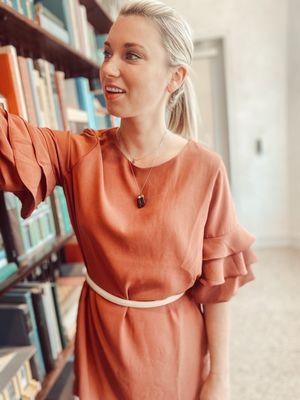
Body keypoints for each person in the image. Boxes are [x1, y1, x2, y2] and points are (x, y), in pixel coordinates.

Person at [0, 0, 258, 399]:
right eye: (107, 52)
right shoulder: (78, 153)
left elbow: (217, 287)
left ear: (175, 77)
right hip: (102, 347)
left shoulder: (206, 168)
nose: (108, 68)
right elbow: (9, 146)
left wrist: (219, 378)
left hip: (175, 349)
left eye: (131, 55)